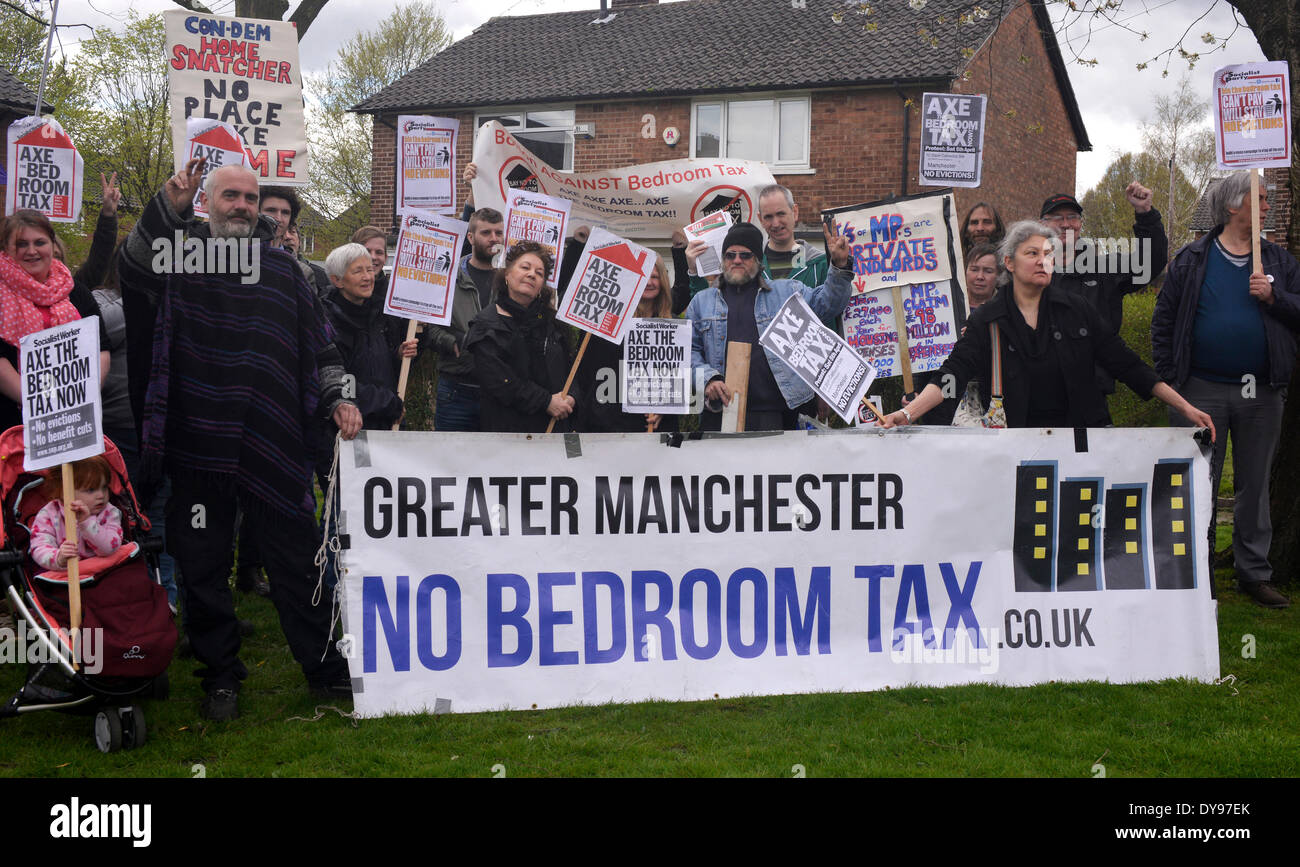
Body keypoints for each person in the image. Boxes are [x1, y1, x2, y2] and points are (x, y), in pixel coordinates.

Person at [118, 159, 359, 721]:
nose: (243, 207)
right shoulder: (180, 258)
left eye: (251, 198)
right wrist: (164, 207)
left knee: (299, 564)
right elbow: (131, 269)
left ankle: (325, 671)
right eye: (232, 196)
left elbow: (323, 351)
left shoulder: (285, 272)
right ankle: (220, 676)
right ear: (207, 200)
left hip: (272, 444)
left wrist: (338, 398)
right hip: (199, 446)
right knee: (203, 571)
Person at [883, 220, 1214, 435]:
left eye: (1048, 254)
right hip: (1015, 448)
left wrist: (1184, 406)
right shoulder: (988, 321)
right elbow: (951, 376)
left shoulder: (1079, 311)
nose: (1043, 260)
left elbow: (1128, 366)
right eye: (1032, 253)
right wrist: (908, 414)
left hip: (1079, 444)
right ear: (1009, 263)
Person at [1152, 171, 1300, 609]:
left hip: (1262, 394)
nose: (1268, 207)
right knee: (1197, 483)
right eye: (1260, 198)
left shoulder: (1278, 262)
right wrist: (1172, 381)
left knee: (1254, 485)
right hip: (1199, 390)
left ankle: (1252, 573)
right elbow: (1164, 322)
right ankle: (1194, 572)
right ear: (1235, 206)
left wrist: (1275, 298)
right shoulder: (1192, 258)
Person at [685, 221, 854, 431]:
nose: (737, 260)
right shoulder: (701, 302)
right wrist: (708, 379)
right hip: (722, 412)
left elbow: (827, 306)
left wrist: (839, 265)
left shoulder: (787, 291)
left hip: (778, 412)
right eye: (730, 255)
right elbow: (688, 353)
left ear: (757, 260)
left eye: (745, 255)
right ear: (723, 259)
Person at [1043, 188, 1168, 394]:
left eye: (1072, 217)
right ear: (1042, 225)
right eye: (1057, 218)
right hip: (1040, 390)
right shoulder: (1031, 272)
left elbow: (1151, 262)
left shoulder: (1106, 269)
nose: (1066, 224)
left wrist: (1145, 214)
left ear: (1081, 224)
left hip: (1092, 390)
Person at [0, 207, 111, 432]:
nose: (31, 251)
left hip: (73, 419)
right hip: (14, 423)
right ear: (7, 249)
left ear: (52, 245)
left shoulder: (76, 291)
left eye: (39, 242)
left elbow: (101, 348)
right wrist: (40, 404)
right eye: (22, 244)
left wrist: (84, 393)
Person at [464, 241, 579, 433]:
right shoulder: (486, 324)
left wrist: (571, 396)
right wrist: (545, 402)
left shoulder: (553, 324)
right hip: (509, 434)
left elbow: (570, 368)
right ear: (507, 274)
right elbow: (500, 381)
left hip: (555, 430)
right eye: (525, 267)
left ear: (542, 285)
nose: (532, 274)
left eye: (539, 273)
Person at [575, 252, 679, 433]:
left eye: (654, 277)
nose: (649, 283)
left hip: (652, 426)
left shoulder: (673, 325)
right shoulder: (605, 322)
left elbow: (677, 378)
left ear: (663, 281)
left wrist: (666, 410)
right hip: (609, 426)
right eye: (643, 277)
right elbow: (587, 373)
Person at [430, 207, 504, 431]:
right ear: (470, 237)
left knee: (495, 465)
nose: (493, 238)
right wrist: (453, 342)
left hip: (498, 392)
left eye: (498, 233)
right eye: (486, 233)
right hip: (456, 389)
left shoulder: (510, 281)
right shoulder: (448, 276)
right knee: (451, 463)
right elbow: (430, 328)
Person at [30, 456, 123, 571]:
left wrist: (87, 522)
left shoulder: (109, 512)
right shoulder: (49, 514)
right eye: (91, 490)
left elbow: (109, 548)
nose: (101, 495)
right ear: (64, 491)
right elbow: (39, 547)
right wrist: (59, 557)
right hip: (66, 573)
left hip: (104, 570)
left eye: (104, 488)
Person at [284, 221, 330, 297]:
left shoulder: (320, 275)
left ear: (299, 242)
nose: (287, 237)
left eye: (292, 232)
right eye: (282, 233)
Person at [964, 242, 1000, 310]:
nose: (980, 277)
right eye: (974, 270)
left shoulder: (1007, 308)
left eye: (988, 271)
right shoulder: (951, 302)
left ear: (998, 275)